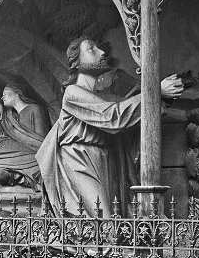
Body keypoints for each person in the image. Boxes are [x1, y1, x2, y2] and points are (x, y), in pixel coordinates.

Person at [36, 37, 183, 217]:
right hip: (79, 161)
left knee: (111, 220)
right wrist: (155, 92)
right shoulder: (72, 93)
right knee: (103, 222)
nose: (102, 52)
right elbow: (112, 117)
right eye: (91, 49)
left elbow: (125, 118)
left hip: (104, 161)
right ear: (76, 63)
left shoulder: (101, 97)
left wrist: (161, 99)